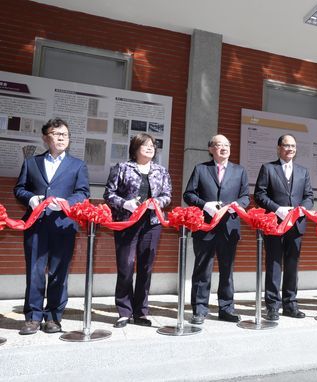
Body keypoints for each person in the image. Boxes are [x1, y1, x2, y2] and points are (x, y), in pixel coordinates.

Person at [14, 118, 89, 335]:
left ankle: (54, 317)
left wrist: (66, 204)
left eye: (65, 134)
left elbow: (82, 193)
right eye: (57, 134)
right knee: (35, 271)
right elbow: (19, 189)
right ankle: (33, 317)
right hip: (35, 225)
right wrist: (31, 199)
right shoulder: (31, 163)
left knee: (59, 272)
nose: (62, 138)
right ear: (46, 138)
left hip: (63, 225)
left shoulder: (77, 165)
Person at [104, 133, 172, 328]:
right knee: (126, 266)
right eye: (145, 145)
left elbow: (167, 195)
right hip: (127, 222)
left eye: (152, 145)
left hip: (151, 223)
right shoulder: (122, 168)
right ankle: (124, 311)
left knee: (145, 267)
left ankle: (141, 311)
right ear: (135, 148)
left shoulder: (161, 171)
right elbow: (109, 194)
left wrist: (156, 202)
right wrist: (126, 204)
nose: (150, 148)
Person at [183, 134, 250, 323]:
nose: (224, 148)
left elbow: (245, 196)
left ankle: (226, 308)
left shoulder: (239, 171)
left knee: (227, 270)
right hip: (205, 226)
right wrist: (205, 205)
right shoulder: (201, 169)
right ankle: (199, 310)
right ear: (210, 149)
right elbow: (188, 194)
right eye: (219, 145)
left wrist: (235, 205)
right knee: (202, 269)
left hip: (229, 226)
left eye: (226, 144)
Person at [254, 134, 314, 321]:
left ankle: (290, 304)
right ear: (279, 148)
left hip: (296, 225)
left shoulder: (303, 171)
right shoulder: (268, 168)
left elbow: (309, 196)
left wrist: (302, 209)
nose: (290, 149)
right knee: (273, 264)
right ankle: (272, 305)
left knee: (292, 265)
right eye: (286, 145)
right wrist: (277, 209)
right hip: (274, 224)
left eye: (293, 146)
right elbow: (259, 194)